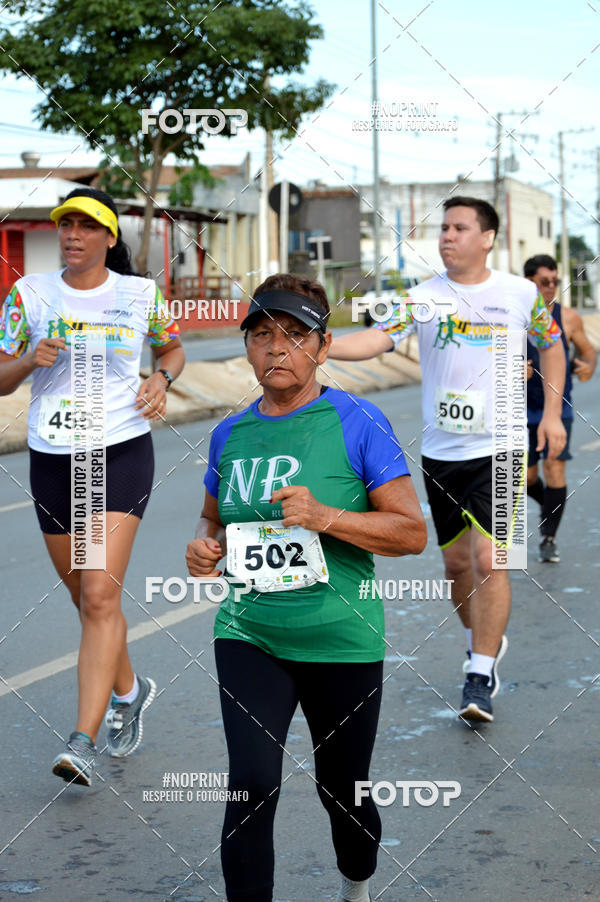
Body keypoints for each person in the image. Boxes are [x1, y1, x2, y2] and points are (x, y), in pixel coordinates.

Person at [186, 273, 426, 902]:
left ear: (322, 348)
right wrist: (204, 546)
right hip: (249, 632)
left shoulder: (358, 421)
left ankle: (356, 883)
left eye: (294, 336)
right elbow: (214, 517)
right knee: (251, 783)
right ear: (246, 349)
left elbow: (410, 533)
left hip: (341, 637)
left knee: (343, 792)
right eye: (262, 335)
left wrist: (327, 518)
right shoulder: (229, 433)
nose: (277, 349)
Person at [329, 197, 566, 723]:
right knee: (457, 565)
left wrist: (551, 413)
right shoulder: (423, 297)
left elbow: (551, 347)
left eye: (460, 227)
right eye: (443, 227)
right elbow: (378, 339)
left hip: (502, 447)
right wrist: (321, 347)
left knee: (492, 560)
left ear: (488, 238)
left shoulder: (519, 293)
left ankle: (479, 675)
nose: (447, 236)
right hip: (442, 454)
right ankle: (478, 642)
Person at [0, 186, 185, 786]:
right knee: (86, 596)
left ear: (109, 237)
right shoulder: (27, 295)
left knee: (101, 597)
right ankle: (130, 691)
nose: (73, 234)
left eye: (86, 226)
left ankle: (82, 738)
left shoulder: (140, 295)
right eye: (65, 225)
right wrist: (29, 360)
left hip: (120, 450)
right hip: (53, 457)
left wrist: (160, 377)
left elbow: (174, 348)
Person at [524, 254, 597, 562]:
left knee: (555, 468)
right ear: (529, 282)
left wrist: (587, 368)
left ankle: (548, 537)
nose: (551, 288)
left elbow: (588, 351)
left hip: (558, 408)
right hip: (519, 410)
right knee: (525, 478)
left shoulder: (567, 318)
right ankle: (549, 506)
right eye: (544, 282)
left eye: (555, 281)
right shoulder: (511, 317)